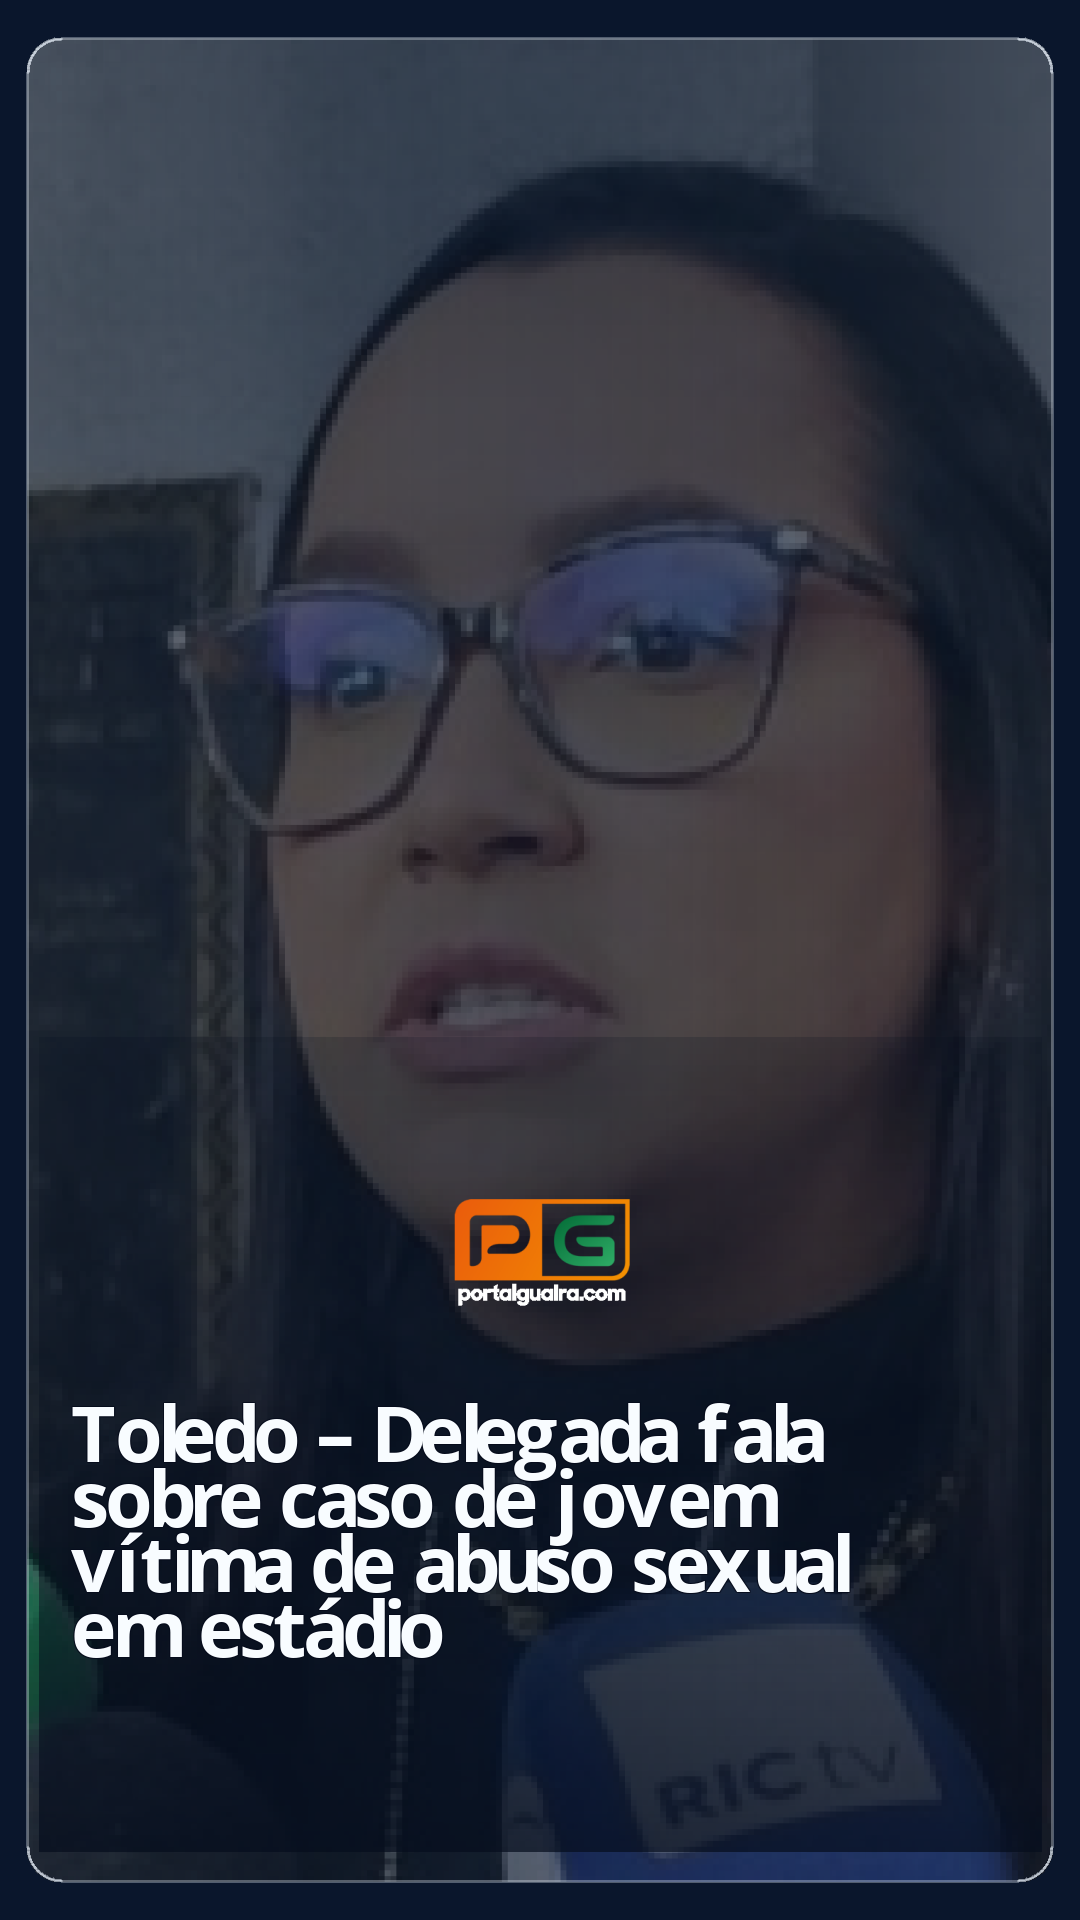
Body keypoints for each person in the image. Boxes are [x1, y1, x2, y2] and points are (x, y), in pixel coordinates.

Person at [117, 160, 1050, 1878]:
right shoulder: (115, 1671)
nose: (455, 800)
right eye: (349, 673)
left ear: (994, 807)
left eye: (661, 635)